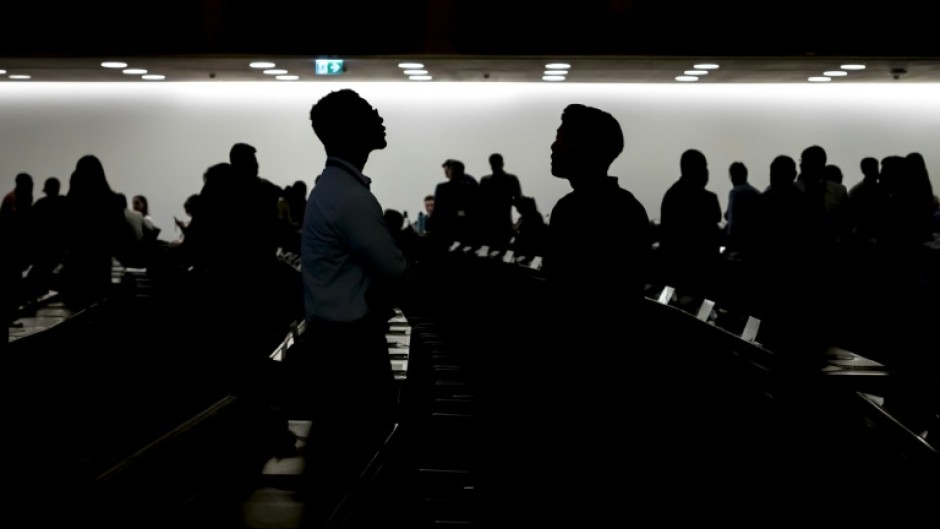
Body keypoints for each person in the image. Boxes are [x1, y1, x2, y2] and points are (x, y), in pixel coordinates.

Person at [295, 88, 408, 526]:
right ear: (350, 131)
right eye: (368, 112)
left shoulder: (335, 188)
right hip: (351, 352)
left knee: (343, 462)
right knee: (360, 466)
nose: (379, 116)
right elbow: (396, 272)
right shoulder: (350, 197)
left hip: (333, 345)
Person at [478, 153, 522, 250]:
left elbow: (479, 203)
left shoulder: (485, 180)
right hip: (504, 222)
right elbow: (519, 200)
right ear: (502, 163)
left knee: (486, 253)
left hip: (487, 223)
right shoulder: (511, 179)